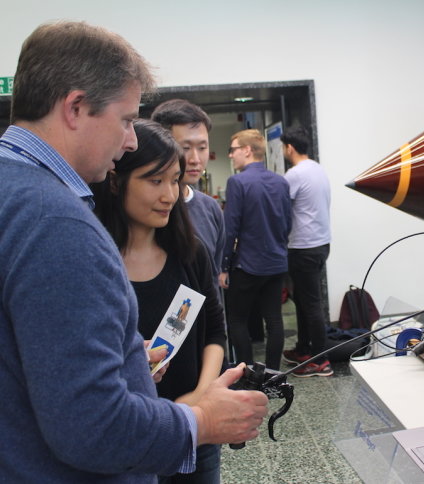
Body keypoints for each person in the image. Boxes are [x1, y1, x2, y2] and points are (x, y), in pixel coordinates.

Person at [0, 21, 267, 483]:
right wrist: (201, 421)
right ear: (76, 107)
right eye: (125, 120)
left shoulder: (14, 192)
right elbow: (92, 427)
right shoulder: (57, 222)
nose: (128, 140)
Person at [92, 119, 227, 483]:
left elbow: (215, 331)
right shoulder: (95, 261)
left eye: (175, 180)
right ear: (117, 181)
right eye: (155, 181)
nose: (169, 194)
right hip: (131, 433)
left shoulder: (190, 253)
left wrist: (199, 397)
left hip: (197, 430)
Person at [221, 129, 291, 370]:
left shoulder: (237, 182)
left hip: (248, 265)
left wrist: (224, 265)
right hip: (276, 262)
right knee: (274, 320)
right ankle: (272, 374)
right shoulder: (281, 181)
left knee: (237, 320)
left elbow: (231, 228)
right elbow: (287, 223)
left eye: (233, 150)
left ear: (247, 151)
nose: (231, 156)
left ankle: (247, 372)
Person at [151, 99, 225, 297]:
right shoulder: (145, 209)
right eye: (185, 148)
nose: (195, 159)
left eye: (202, 148)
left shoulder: (210, 208)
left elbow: (212, 279)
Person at [279, 127, 333, 377]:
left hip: (303, 247)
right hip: (321, 244)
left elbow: (281, 208)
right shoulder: (318, 169)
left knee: (310, 304)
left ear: (289, 147)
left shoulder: (295, 174)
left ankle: (320, 361)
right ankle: (303, 350)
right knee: (303, 300)